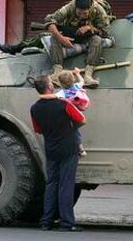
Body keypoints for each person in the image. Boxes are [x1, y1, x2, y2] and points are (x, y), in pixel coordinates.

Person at [0, 0, 116, 55]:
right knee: (45, 36)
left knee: (43, 37)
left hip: (88, 35)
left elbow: (104, 28)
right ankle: (15, 48)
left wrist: (89, 28)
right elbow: (55, 17)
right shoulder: (78, 3)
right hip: (73, 31)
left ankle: (14, 48)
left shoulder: (101, 5)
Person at [30, 75, 85, 232]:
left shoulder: (35, 108)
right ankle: (67, 222)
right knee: (66, 185)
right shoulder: (63, 104)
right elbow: (82, 119)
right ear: (49, 87)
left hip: (51, 148)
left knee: (51, 183)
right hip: (68, 148)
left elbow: (38, 130)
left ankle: (46, 222)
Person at [46, 0, 109, 88]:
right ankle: (57, 74)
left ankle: (88, 76)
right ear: (75, 8)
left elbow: (105, 30)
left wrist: (90, 27)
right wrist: (61, 38)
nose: (81, 16)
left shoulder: (98, 10)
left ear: (90, 8)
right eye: (79, 13)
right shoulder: (68, 8)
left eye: (85, 13)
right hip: (69, 34)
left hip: (88, 35)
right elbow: (49, 21)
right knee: (54, 38)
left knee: (97, 40)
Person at [57, 68, 90, 157]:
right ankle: (80, 148)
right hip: (78, 113)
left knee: (72, 131)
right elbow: (82, 81)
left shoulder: (62, 93)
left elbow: (55, 98)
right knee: (75, 130)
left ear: (61, 84)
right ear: (73, 80)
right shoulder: (77, 86)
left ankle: (78, 148)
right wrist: (77, 73)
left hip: (68, 116)